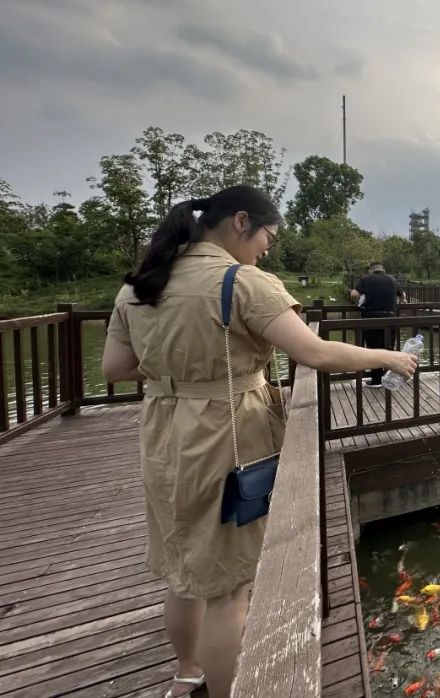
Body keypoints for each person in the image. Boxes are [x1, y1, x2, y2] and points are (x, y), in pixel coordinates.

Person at [101, 186, 417, 698]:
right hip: (224, 430)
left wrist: (179, 368)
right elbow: (315, 352)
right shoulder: (241, 283)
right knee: (228, 588)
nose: (267, 248)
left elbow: (113, 368)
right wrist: (387, 359)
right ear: (241, 222)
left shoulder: (140, 284)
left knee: (183, 573)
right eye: (268, 236)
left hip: (161, 432)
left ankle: (185, 673)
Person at [349, 261, 408, 388]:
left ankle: (376, 380)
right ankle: (388, 380)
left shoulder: (366, 279)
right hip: (391, 318)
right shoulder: (392, 280)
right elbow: (403, 296)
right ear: (383, 269)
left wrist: (357, 301)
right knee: (389, 348)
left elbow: (354, 294)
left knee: (373, 350)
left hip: (372, 318)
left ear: (371, 270)